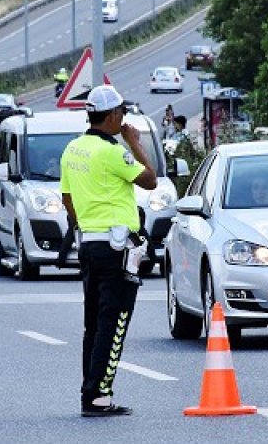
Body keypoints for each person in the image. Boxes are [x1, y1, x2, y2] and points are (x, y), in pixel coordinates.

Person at [59, 85, 158, 417]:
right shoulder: (114, 152)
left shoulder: (73, 149)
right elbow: (150, 180)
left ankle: (90, 391)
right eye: (123, 114)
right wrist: (135, 143)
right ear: (113, 115)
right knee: (114, 322)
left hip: (89, 243)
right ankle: (99, 396)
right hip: (117, 247)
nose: (124, 119)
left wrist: (86, 223)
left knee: (94, 323)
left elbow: (67, 199)